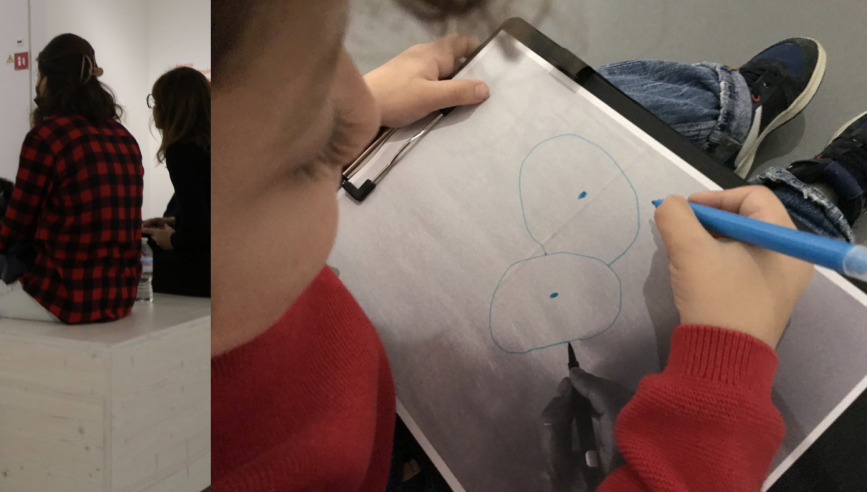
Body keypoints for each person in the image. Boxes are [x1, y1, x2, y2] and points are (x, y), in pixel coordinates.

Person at [211, 2, 819, 491]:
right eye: (305, 154)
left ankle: (735, 106)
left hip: (367, 392)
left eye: (330, 57)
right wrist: (722, 380)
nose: (355, 107)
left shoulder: (217, 258)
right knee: (799, 271)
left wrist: (333, 114)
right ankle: (820, 196)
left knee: (564, 93)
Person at [0, 33, 144, 368]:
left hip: (64, 294)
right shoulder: (125, 138)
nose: (36, 84)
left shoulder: (47, 136)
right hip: (121, 295)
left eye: (38, 75)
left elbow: (16, 224)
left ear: (51, 79)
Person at [141, 66, 211, 297]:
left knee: (135, 263)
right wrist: (174, 220)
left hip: (207, 268)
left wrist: (169, 238)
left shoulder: (182, 150)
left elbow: (197, 232)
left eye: (156, 101)